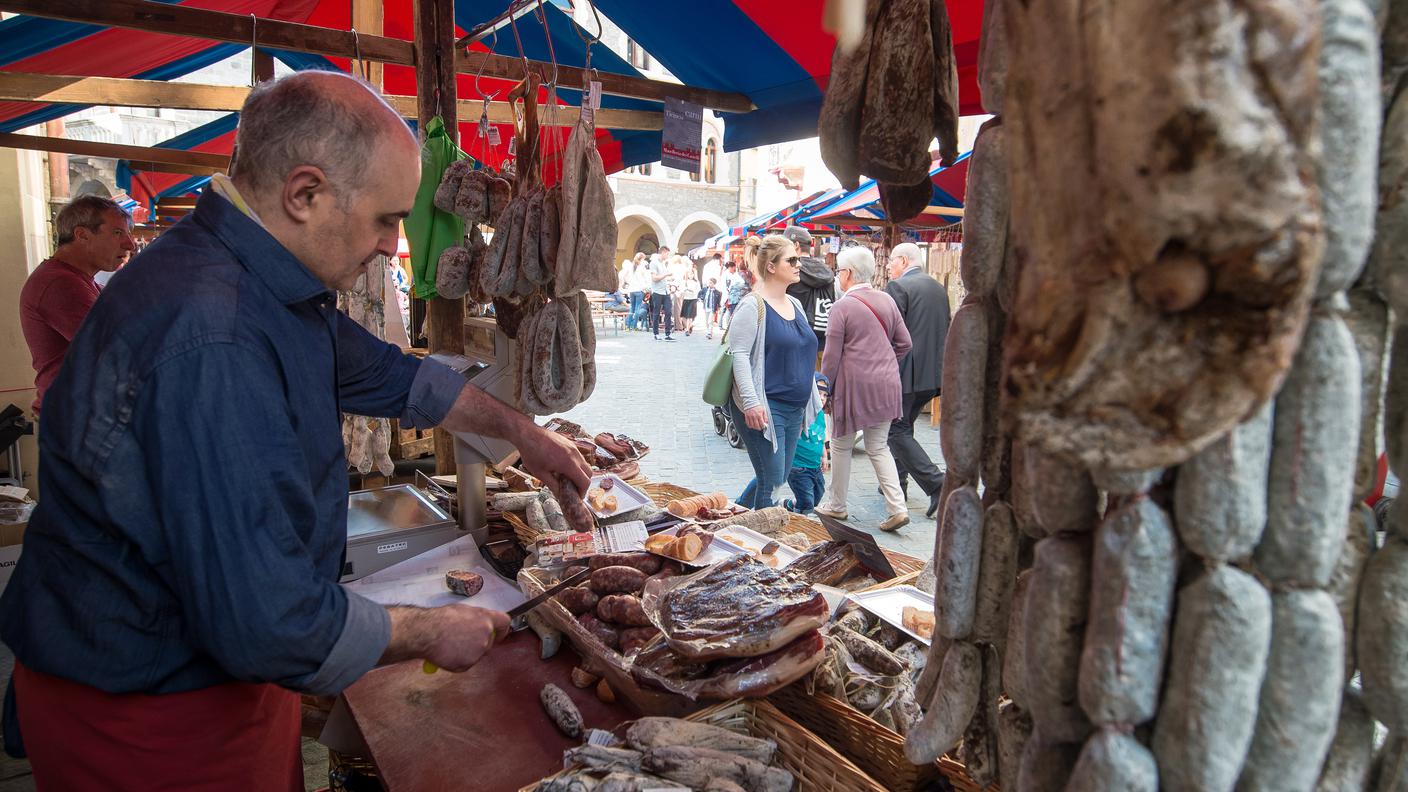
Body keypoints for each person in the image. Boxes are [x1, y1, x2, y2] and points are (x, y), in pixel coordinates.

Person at [0, 71, 593, 790]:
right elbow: (265, 620)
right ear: (304, 194)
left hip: (206, 684)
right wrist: (430, 629)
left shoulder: (251, 276)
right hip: (150, 714)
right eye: (384, 219)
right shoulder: (211, 335)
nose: (390, 245)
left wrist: (530, 438)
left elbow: (388, 374)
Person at [814, 246, 913, 532]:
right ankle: (898, 507)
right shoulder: (887, 300)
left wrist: (825, 389)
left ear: (848, 274)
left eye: (839, 271)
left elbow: (831, 357)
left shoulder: (842, 307)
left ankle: (836, 504)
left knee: (841, 444)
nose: (837, 276)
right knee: (878, 446)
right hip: (887, 384)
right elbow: (904, 343)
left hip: (853, 387)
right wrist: (883, 362)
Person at [726, 234, 823, 509]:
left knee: (776, 476)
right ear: (771, 266)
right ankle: (759, 541)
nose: (798, 265)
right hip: (766, 407)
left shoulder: (794, 305)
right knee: (772, 480)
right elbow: (740, 355)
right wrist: (751, 402)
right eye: (791, 260)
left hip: (795, 408)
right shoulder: (752, 305)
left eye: (798, 259)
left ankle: (733, 516)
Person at [19, 195, 136, 414]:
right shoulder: (60, 283)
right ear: (82, 235)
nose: (129, 244)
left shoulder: (80, 281)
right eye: (118, 233)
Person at [884, 242, 950, 518]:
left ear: (902, 260)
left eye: (890, 261)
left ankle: (937, 483)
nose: (888, 266)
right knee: (903, 428)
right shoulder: (937, 287)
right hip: (933, 371)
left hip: (907, 370)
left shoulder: (898, 287)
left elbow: (891, 333)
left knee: (895, 431)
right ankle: (897, 485)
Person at [781, 226, 837, 360]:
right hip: (822, 344)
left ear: (796, 245)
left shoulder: (790, 270)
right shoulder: (826, 271)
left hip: (794, 344)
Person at [784, 375, 831, 514]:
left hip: (815, 466)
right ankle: (800, 523)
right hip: (798, 468)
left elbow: (821, 437)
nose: (821, 398)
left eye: (825, 395)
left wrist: (824, 456)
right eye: (818, 393)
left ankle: (791, 505)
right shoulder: (801, 412)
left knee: (818, 493)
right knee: (807, 502)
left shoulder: (822, 415)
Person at [648, 250, 674, 340]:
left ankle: (668, 334)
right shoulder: (654, 263)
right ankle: (656, 333)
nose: (668, 255)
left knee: (669, 311)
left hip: (665, 291)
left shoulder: (663, 263)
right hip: (657, 291)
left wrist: (670, 280)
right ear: (663, 252)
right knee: (656, 313)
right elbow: (654, 278)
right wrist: (666, 274)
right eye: (667, 253)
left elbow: (664, 278)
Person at [679, 266, 701, 336]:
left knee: (689, 316)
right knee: (683, 316)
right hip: (686, 299)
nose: (691, 275)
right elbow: (681, 290)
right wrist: (685, 289)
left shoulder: (696, 282)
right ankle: (689, 326)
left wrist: (692, 291)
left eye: (692, 274)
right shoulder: (684, 281)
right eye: (689, 274)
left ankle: (687, 330)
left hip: (693, 299)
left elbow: (698, 290)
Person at [618, 256, 637, 330]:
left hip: (627, 291)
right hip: (624, 292)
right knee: (631, 307)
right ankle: (628, 323)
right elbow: (621, 285)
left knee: (632, 306)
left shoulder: (625, 272)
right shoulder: (623, 273)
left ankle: (629, 322)